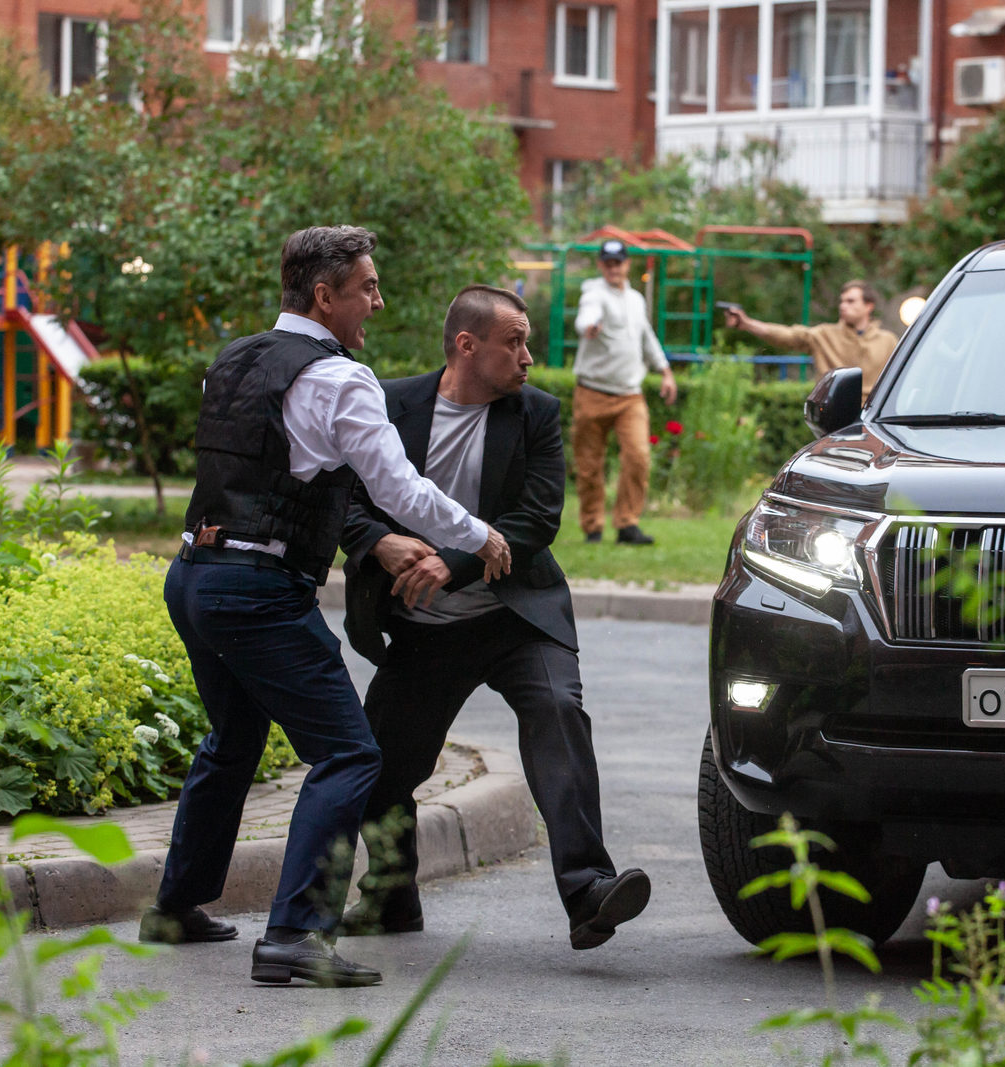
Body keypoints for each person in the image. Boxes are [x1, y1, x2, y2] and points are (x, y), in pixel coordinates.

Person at [140, 226, 512, 989]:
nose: (378, 300)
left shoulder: (234, 359)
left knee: (233, 738)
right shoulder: (342, 379)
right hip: (257, 591)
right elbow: (398, 488)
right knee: (348, 753)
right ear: (323, 295)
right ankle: (294, 934)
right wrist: (479, 534)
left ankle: (175, 907)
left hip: (193, 575)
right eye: (366, 286)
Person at [338, 284, 650, 950]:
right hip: (424, 627)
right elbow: (343, 498)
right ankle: (390, 897)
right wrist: (379, 542)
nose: (528, 356)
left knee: (558, 712)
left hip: (516, 616)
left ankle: (589, 891)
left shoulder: (536, 413)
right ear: (466, 345)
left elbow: (535, 519)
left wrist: (452, 562)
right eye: (515, 342)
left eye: (526, 342)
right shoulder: (389, 405)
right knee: (383, 764)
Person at [571, 238, 677, 546]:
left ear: (627, 264)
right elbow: (586, 315)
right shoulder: (594, 292)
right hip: (591, 392)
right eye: (608, 263)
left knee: (638, 457)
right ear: (600, 265)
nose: (613, 268)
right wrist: (589, 326)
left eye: (618, 262)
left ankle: (627, 524)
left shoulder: (636, 300)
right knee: (589, 465)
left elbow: (646, 336)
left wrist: (665, 370)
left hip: (630, 395)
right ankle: (593, 527)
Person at [722, 280, 898, 399]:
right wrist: (747, 323)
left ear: (868, 306)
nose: (843, 306)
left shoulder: (888, 341)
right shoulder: (825, 334)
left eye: (851, 301)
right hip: (835, 418)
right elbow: (787, 335)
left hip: (873, 419)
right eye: (842, 301)